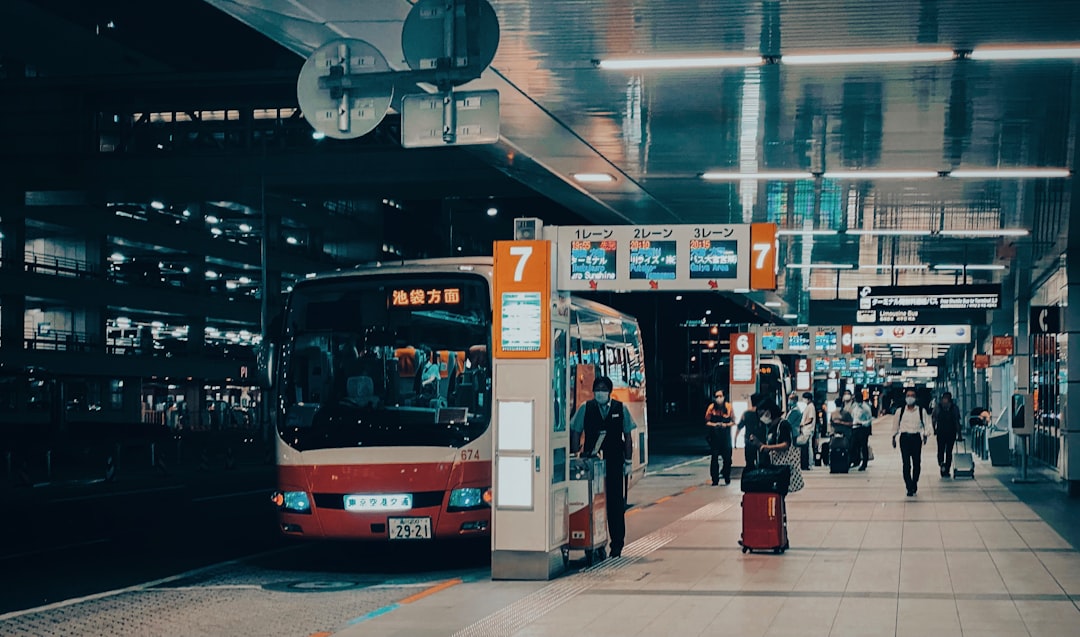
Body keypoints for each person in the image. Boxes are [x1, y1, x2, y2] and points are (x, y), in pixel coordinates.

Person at [570, 375, 637, 558]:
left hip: (614, 461)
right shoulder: (586, 408)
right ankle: (595, 542)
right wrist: (576, 454)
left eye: (603, 388)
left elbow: (628, 437)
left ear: (609, 391)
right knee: (592, 503)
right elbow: (575, 430)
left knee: (615, 504)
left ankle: (617, 544)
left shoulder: (620, 409)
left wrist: (628, 462)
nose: (600, 392)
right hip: (591, 463)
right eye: (597, 389)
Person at [891, 387, 931, 496]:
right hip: (904, 438)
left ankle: (914, 482)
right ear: (905, 398)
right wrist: (893, 437)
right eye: (908, 395)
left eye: (912, 396)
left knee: (917, 463)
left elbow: (927, 425)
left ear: (916, 398)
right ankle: (909, 486)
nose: (910, 398)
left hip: (916, 439)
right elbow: (895, 425)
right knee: (906, 464)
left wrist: (925, 435)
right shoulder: (900, 411)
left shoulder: (921, 411)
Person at [758, 401, 804, 495]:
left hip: (782, 467)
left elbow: (786, 444)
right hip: (775, 466)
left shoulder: (783, 424)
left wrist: (768, 447)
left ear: (769, 412)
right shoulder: (771, 427)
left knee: (780, 493)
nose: (761, 417)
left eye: (762, 414)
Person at [704, 389, 735, 485]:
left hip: (725, 436)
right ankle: (715, 479)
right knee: (714, 458)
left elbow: (733, 422)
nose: (719, 398)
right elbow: (707, 422)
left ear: (724, 397)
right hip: (715, 436)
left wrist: (726, 425)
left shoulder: (729, 407)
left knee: (728, 458)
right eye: (717, 396)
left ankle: (726, 475)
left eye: (720, 396)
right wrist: (714, 425)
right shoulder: (711, 408)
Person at [932, 391, 962, 477]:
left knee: (943, 450)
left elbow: (934, 419)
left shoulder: (939, 407)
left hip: (944, 432)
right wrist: (959, 434)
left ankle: (943, 465)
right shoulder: (953, 408)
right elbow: (957, 421)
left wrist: (935, 429)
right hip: (948, 432)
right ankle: (944, 466)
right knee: (946, 451)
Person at [737, 392, 765, 471]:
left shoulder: (746, 413)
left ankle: (751, 479)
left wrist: (735, 440)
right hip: (761, 441)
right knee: (762, 463)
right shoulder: (763, 413)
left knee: (749, 463)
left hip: (749, 441)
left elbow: (739, 427)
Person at [848, 391, 873, 471]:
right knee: (853, 446)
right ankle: (855, 461)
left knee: (863, 446)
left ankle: (864, 464)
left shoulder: (866, 408)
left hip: (862, 429)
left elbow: (869, 419)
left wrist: (862, 423)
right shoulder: (854, 406)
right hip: (855, 428)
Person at [797, 392, 817, 470]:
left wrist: (803, 424)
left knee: (808, 447)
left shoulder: (811, 407)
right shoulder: (809, 406)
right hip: (807, 429)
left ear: (808, 399)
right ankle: (809, 463)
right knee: (808, 446)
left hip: (808, 429)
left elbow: (810, 419)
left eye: (804, 398)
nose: (803, 400)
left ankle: (809, 463)